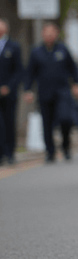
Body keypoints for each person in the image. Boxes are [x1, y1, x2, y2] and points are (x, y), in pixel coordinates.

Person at [23, 22, 78, 163]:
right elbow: (30, 73)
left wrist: (76, 84)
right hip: (44, 92)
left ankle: (66, 146)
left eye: (52, 33)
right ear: (43, 34)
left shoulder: (63, 49)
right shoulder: (36, 52)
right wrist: (28, 90)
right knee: (47, 124)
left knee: (65, 118)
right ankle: (50, 152)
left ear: (56, 34)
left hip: (62, 91)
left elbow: (73, 68)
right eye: (46, 33)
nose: (49, 36)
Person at [0, 18, 23, 166]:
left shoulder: (14, 46)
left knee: (9, 123)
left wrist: (9, 86)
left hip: (9, 92)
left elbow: (19, 70)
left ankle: (10, 153)